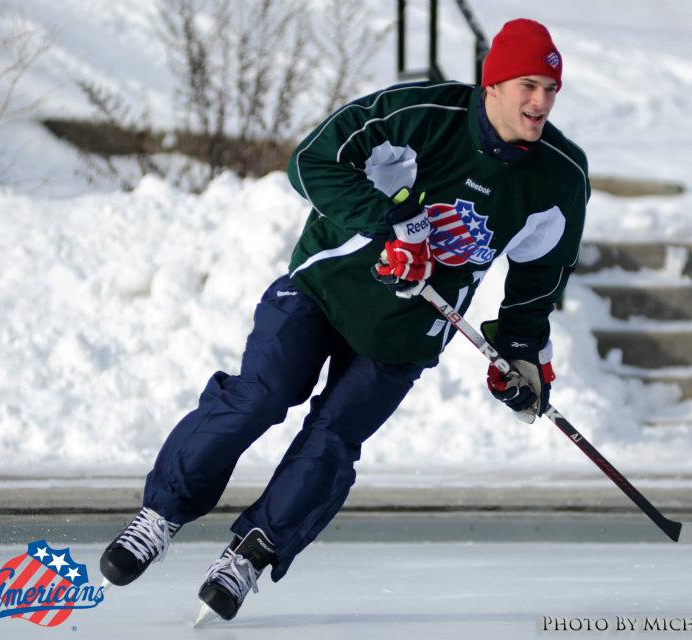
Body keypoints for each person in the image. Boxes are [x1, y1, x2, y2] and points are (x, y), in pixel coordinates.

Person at [99, 17, 590, 623]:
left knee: (333, 439)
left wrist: (518, 356)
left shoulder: (560, 177)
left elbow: (536, 284)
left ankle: (252, 553)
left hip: (405, 333)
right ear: (492, 84)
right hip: (323, 290)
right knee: (261, 394)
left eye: (551, 89)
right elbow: (312, 162)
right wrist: (391, 224)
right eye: (528, 85)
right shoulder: (422, 115)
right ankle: (164, 511)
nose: (540, 102)